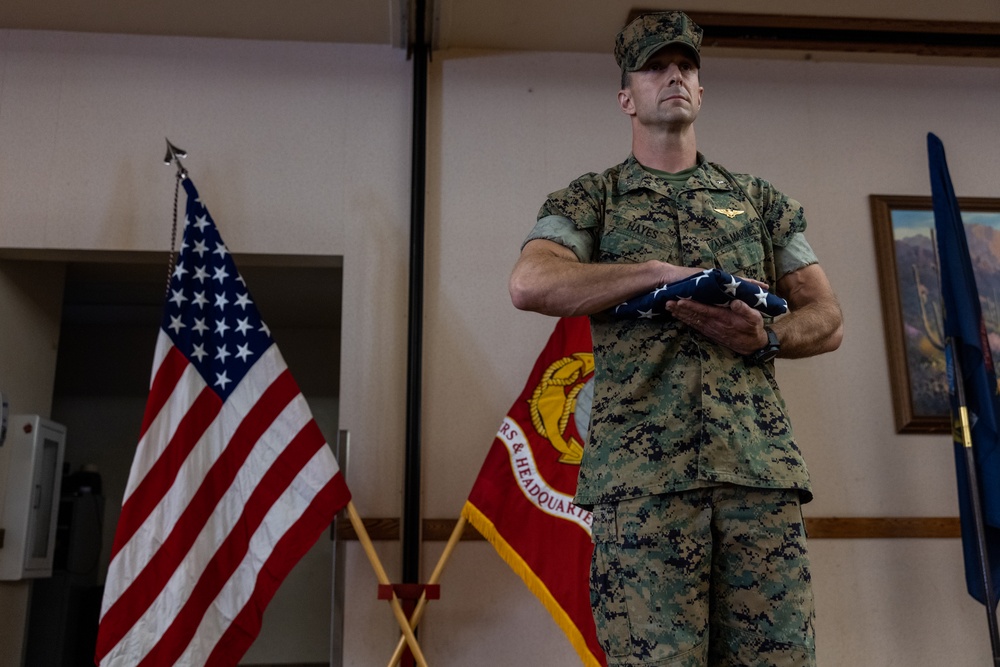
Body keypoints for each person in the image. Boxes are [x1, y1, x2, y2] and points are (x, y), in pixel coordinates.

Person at [508, 11, 843, 667]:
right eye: (656, 66)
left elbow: (827, 314)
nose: (675, 77)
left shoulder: (759, 202)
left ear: (701, 89)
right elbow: (530, 281)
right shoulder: (593, 199)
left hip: (758, 480)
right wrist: (657, 273)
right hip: (644, 489)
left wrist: (766, 335)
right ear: (626, 96)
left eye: (686, 66)